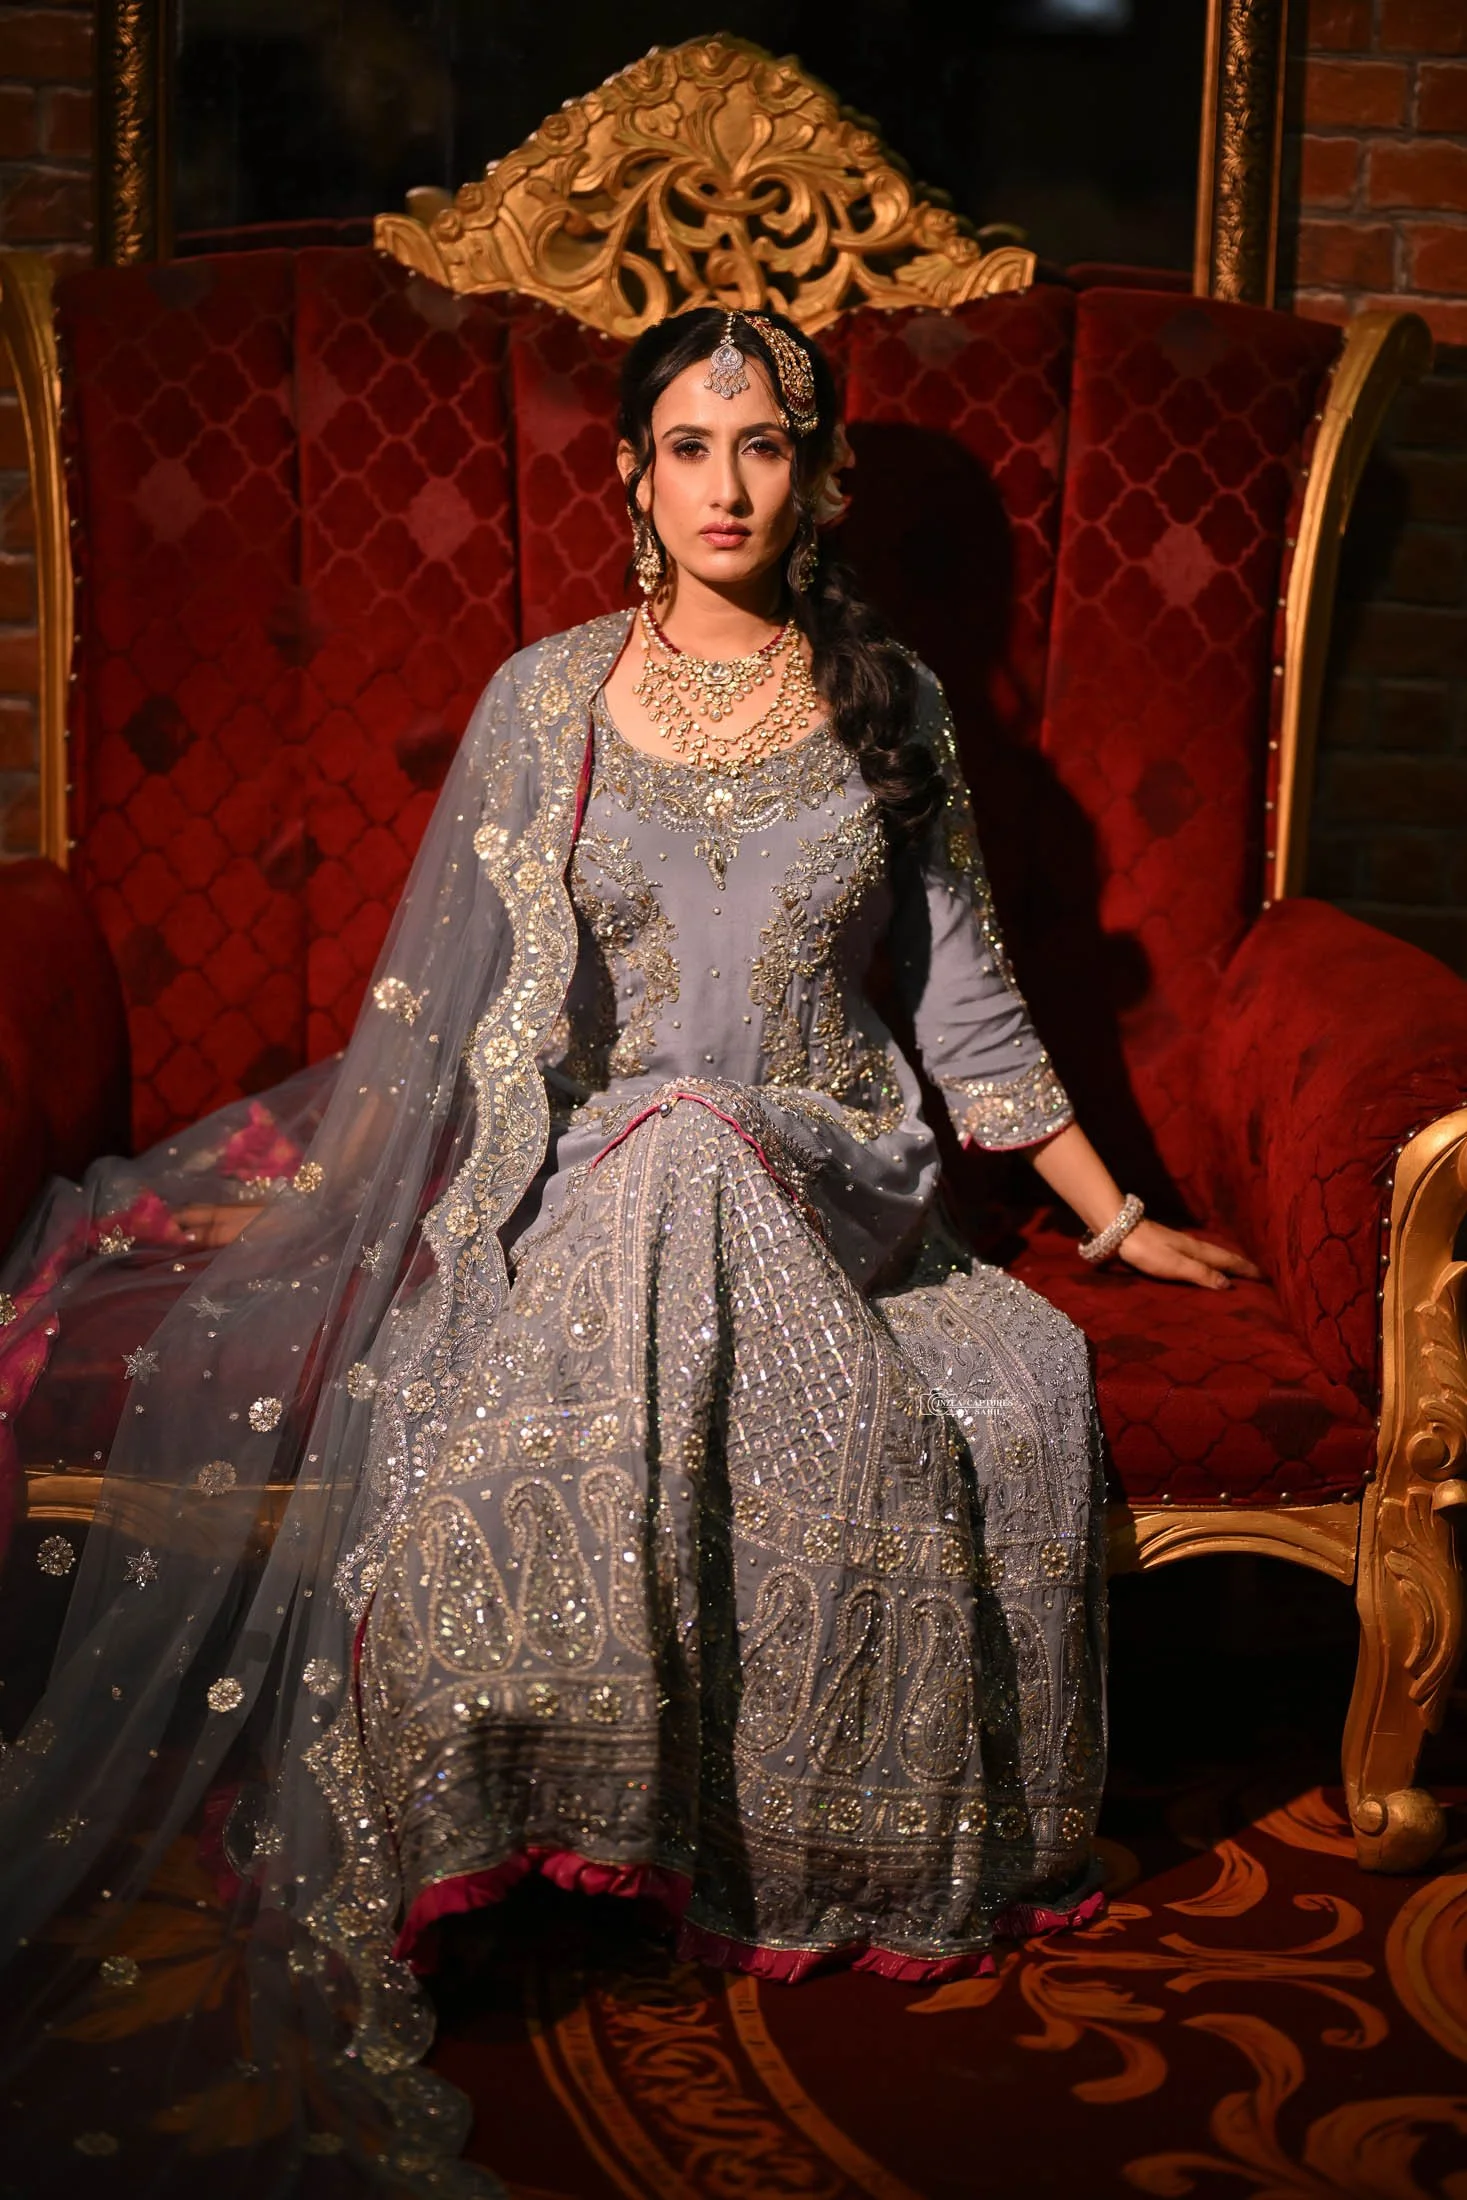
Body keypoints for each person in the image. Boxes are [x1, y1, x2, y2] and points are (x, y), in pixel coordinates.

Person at [0, 306, 1255, 2192]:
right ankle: (548, 1784)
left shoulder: (890, 704)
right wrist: (426, 1215)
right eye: (689, 445)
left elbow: (970, 1013)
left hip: (831, 1170)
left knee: (709, 1144)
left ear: (814, 476)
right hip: (599, 1164)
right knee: (653, 1150)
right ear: (630, 474)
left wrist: (1117, 1217)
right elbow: (466, 1016)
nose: (728, 485)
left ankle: (618, 1795)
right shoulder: (551, 699)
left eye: (765, 447)